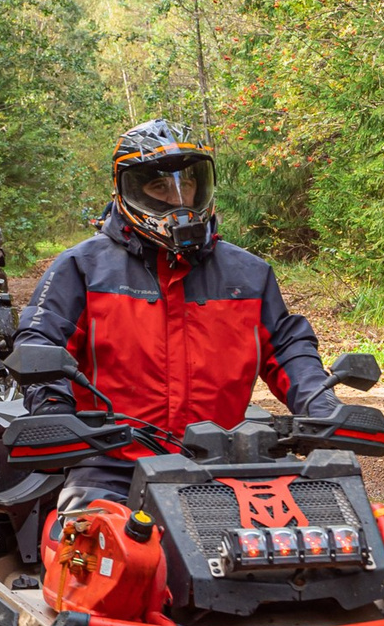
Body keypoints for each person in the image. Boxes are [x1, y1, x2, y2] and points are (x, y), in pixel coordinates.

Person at [17, 120, 336, 509]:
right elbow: (41, 341)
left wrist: (322, 407)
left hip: (229, 465)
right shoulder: (82, 268)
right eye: (159, 186)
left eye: (188, 183)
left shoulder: (249, 274)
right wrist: (53, 410)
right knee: (86, 548)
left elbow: (287, 349)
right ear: (126, 191)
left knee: (312, 550)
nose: (179, 198)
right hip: (113, 467)